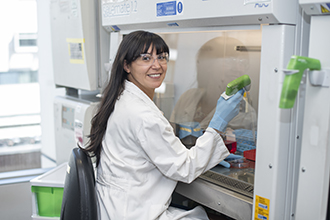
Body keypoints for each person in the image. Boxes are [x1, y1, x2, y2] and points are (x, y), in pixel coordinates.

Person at [82, 30, 244, 220]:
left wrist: (211, 153)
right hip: (134, 212)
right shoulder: (142, 115)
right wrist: (218, 124)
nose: (157, 65)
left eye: (162, 57)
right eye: (145, 58)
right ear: (126, 65)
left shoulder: (121, 98)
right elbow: (186, 168)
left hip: (118, 206)